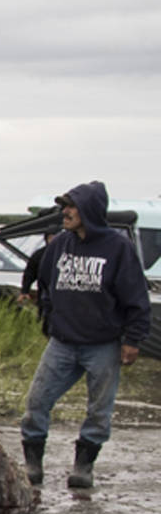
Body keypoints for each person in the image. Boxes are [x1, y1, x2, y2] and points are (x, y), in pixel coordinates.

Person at [17, 181, 150, 490]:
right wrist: (50, 316)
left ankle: (83, 467)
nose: (65, 212)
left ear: (89, 209)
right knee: (37, 401)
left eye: (71, 206)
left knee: (99, 410)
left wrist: (133, 340)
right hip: (62, 343)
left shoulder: (119, 248)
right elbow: (46, 282)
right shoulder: (60, 244)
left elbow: (136, 298)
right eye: (65, 205)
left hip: (103, 345)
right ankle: (33, 464)